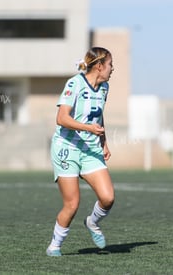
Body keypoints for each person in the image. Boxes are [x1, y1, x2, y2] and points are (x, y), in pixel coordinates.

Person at [46, 47, 115, 257]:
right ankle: (55, 245)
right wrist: (89, 129)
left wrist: (103, 141)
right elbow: (61, 118)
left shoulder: (104, 87)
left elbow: (98, 116)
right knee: (72, 203)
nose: (113, 69)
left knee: (108, 198)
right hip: (67, 147)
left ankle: (92, 222)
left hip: (91, 148)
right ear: (100, 66)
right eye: (111, 65)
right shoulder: (74, 83)